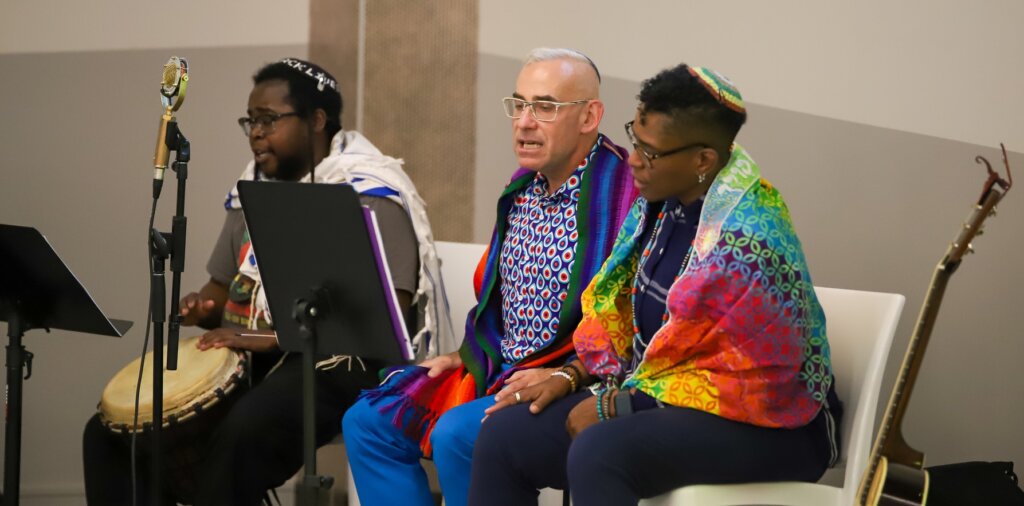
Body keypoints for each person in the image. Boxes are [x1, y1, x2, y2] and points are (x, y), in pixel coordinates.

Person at [82, 57, 452, 505]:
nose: (256, 132)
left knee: (243, 429)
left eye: (269, 120)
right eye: (251, 121)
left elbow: (381, 319)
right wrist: (203, 306)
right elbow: (222, 292)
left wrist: (274, 337)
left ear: (317, 121)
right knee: (110, 434)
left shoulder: (372, 193)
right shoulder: (251, 189)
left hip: (343, 362)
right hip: (259, 356)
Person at [468, 64, 843, 506]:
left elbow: (749, 384)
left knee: (600, 451)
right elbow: (630, 331)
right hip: (658, 398)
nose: (633, 160)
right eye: (635, 140)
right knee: (502, 438)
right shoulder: (663, 206)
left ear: (702, 160)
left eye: (651, 152)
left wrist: (617, 406)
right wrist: (570, 375)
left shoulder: (747, 240)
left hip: (773, 426)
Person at [342, 48, 639, 506]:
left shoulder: (627, 195)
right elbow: (499, 306)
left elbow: (636, 319)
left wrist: (567, 372)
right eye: (518, 105)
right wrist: (467, 355)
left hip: (584, 378)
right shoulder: (522, 188)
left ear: (589, 116)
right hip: (500, 369)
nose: (523, 121)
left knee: (459, 435)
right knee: (368, 422)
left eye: (544, 107)